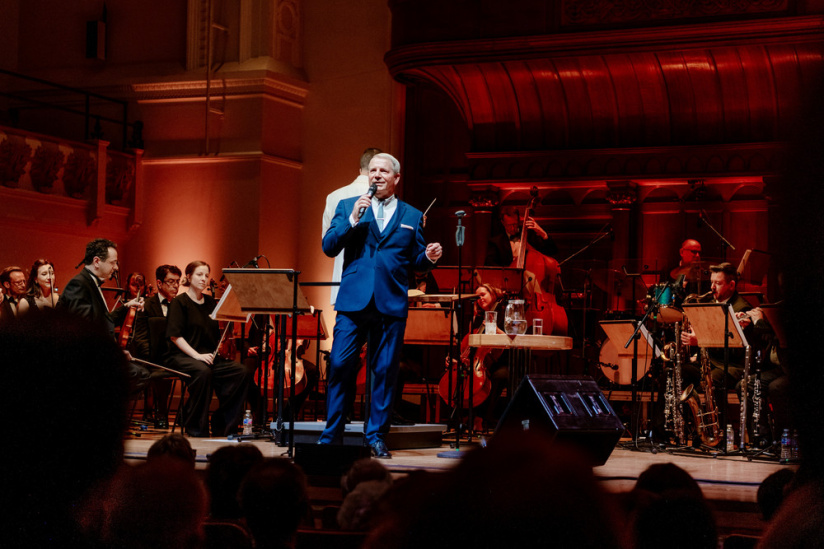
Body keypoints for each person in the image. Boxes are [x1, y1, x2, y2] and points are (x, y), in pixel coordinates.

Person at [317, 153, 443, 458]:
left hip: (390, 303)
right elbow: (329, 246)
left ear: (396, 178)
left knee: (385, 371)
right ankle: (332, 432)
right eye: (372, 170)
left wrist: (428, 257)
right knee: (340, 364)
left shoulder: (412, 216)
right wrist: (352, 220)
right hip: (354, 302)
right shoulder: (349, 207)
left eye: (383, 171)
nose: (376, 175)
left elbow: (415, 262)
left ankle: (375, 435)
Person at [165, 260, 254, 437]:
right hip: (182, 356)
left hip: (207, 357)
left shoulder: (210, 303)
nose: (204, 279)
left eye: (206, 275)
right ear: (189, 277)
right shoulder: (179, 303)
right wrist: (197, 355)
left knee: (241, 371)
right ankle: (197, 427)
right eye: (199, 275)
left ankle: (222, 424)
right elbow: (175, 336)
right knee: (204, 372)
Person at [57, 238, 151, 396]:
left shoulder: (90, 282)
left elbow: (101, 320)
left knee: (141, 374)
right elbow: (83, 329)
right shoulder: (80, 284)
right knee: (138, 375)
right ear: (97, 261)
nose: (115, 268)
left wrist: (127, 307)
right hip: (83, 360)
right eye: (113, 262)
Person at [323, 147, 383, 306]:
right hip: (372, 282)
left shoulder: (333, 196)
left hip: (342, 279)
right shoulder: (382, 197)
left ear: (360, 169)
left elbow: (327, 241)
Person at [681, 262, 753, 390]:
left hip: (729, 366)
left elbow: (736, 351)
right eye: (711, 282)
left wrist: (701, 340)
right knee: (672, 373)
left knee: (711, 381)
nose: (712, 287)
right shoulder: (708, 302)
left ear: (731, 285)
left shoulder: (741, 308)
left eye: (718, 283)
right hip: (708, 362)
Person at [132, 264, 183, 428]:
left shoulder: (181, 306)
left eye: (178, 282)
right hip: (150, 357)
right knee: (160, 371)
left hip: (172, 357)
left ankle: (186, 414)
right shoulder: (146, 304)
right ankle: (160, 412)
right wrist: (152, 356)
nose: (175, 286)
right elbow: (139, 337)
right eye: (171, 281)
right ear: (159, 283)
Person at [485, 204, 558, 266]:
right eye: (509, 225)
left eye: (515, 224)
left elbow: (551, 251)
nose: (512, 228)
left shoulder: (529, 235)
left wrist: (542, 232)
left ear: (519, 220)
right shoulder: (496, 242)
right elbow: (490, 266)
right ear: (503, 223)